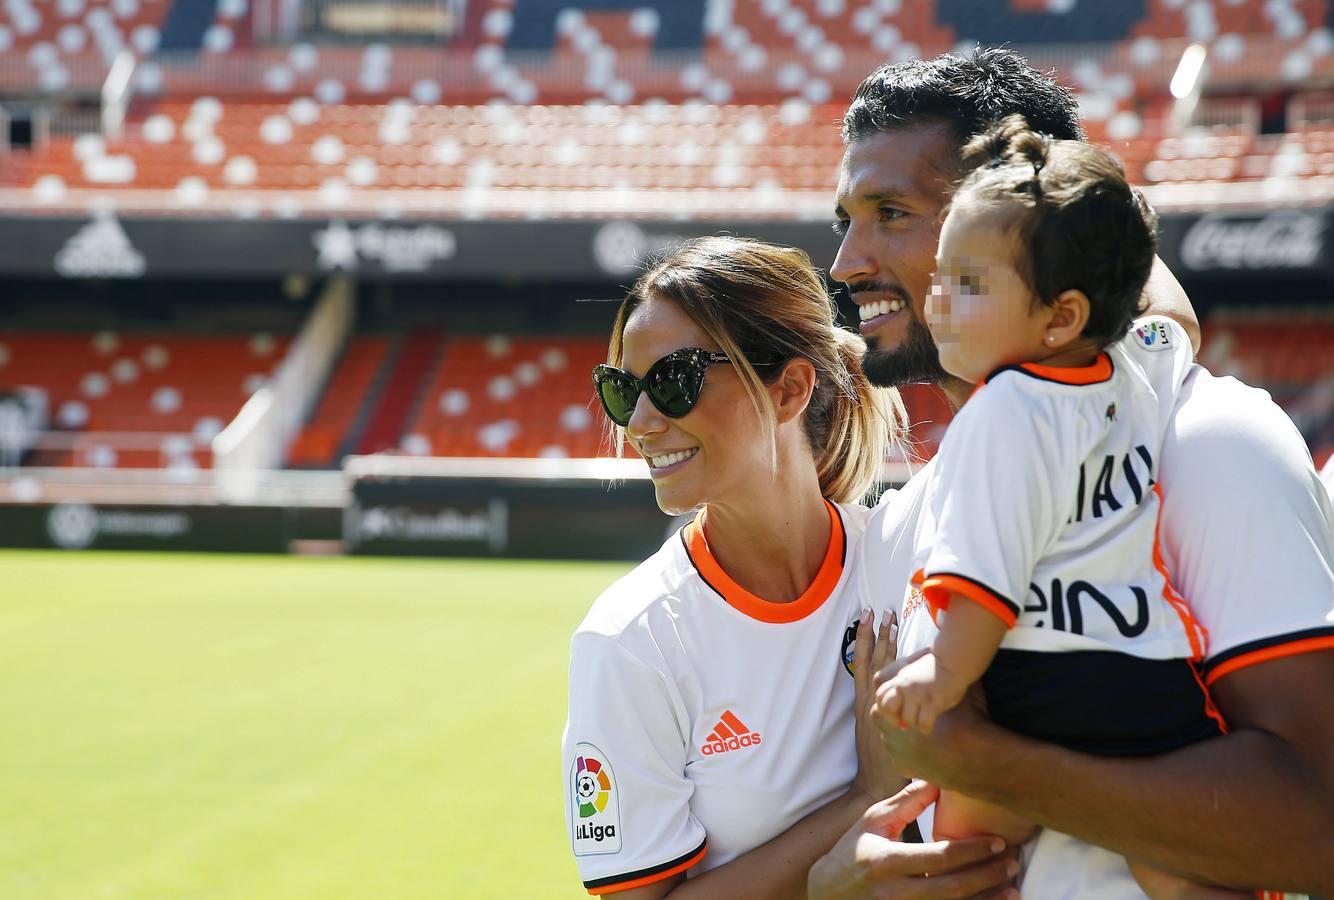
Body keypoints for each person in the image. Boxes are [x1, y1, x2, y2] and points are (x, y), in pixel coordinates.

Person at [811, 49, 1334, 899]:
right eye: (846, 218)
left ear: (1011, 216)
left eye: (891, 213)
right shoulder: (916, 512)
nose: (845, 261)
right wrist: (839, 884)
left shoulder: (1212, 445)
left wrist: (991, 765)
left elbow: (1319, 829)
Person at [873, 115, 1248, 900]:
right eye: (942, 275)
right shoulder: (1137, 366)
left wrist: (941, 677)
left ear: (1062, 316)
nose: (938, 300)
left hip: (1036, 686)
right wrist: (1104, 234)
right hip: (1153, 683)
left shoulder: (998, 413)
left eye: (968, 284)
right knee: (1171, 864)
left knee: (966, 844)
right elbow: (1172, 325)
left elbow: (982, 581)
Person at [562, 236, 977, 897]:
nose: (639, 422)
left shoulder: (907, 558)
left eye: (672, 382)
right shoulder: (630, 641)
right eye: (623, 390)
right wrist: (862, 804)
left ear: (788, 390)